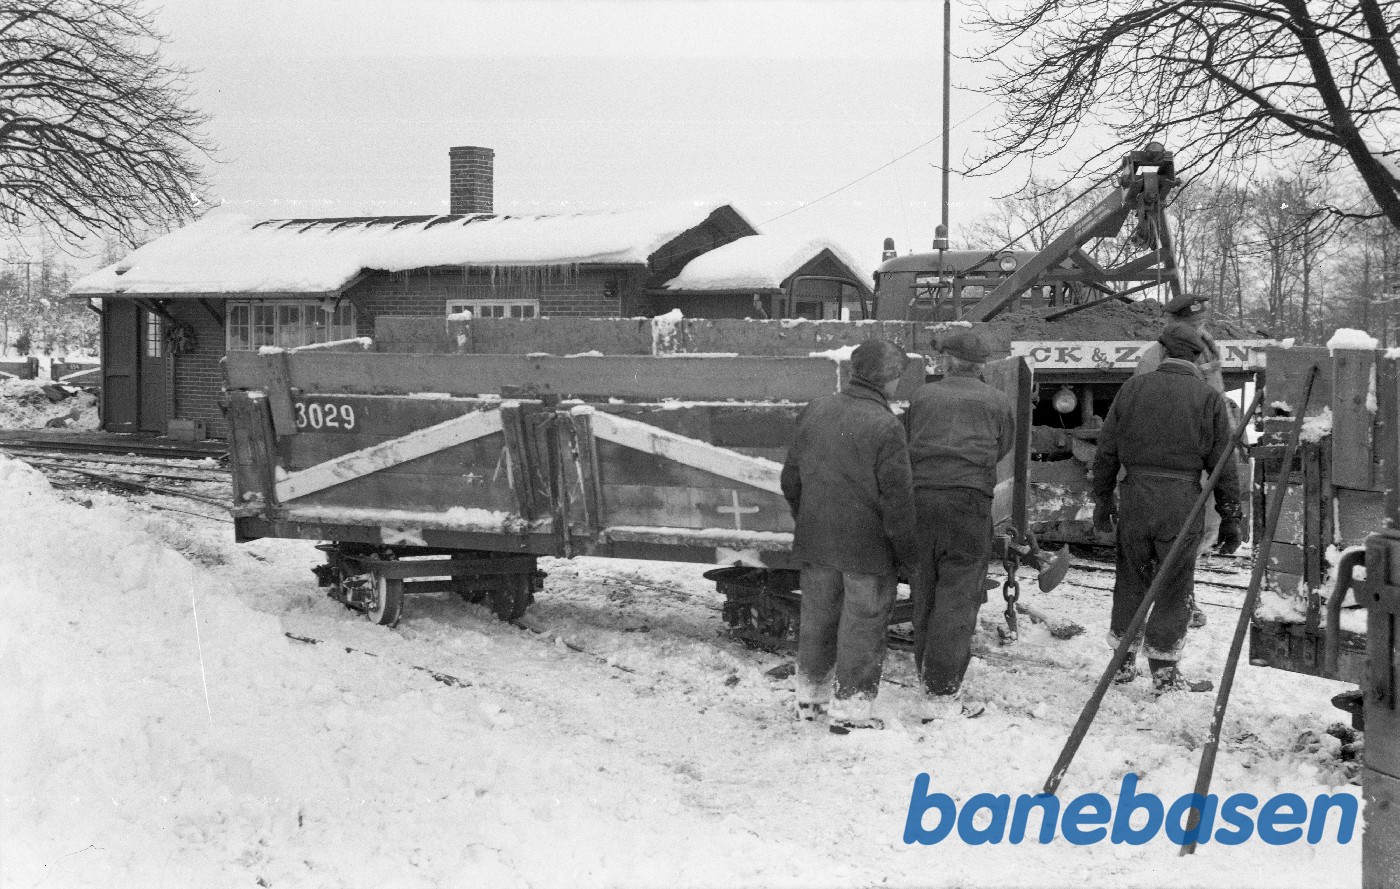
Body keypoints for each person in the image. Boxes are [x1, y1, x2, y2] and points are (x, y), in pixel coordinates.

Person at [1094, 324, 1243, 693]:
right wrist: (1230, 518)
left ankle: (1121, 665)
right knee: (1174, 585)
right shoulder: (1208, 398)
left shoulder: (1132, 389)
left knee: (1130, 579)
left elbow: (1107, 450)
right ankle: (1163, 673)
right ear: (1197, 356)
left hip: (1136, 498)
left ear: (1162, 352)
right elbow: (1223, 465)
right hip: (1182, 503)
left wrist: (1103, 499)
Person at [780, 338, 919, 733]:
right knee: (863, 628)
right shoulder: (886, 425)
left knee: (817, 621)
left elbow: (790, 479)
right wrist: (908, 555)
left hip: (817, 541)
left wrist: (808, 520)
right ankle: (851, 713)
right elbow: (897, 502)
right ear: (889, 379)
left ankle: (810, 701)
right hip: (867, 550)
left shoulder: (816, 409)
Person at [904, 329, 1016, 721]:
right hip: (968, 503)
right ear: (981, 365)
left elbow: (906, 440)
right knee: (957, 596)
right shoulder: (997, 401)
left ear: (947, 361)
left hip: (920, 501)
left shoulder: (921, 397)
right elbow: (1002, 447)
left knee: (925, 591)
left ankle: (927, 680)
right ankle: (941, 692)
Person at [1133, 293, 1230, 629]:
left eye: (1201, 322)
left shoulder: (1208, 350)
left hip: (1202, 453)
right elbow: (1144, 408)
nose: (1198, 328)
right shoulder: (1155, 356)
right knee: (1170, 537)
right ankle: (1167, 605)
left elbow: (1216, 398)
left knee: (1198, 530)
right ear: (1173, 323)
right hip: (1174, 460)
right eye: (1191, 323)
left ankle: (1180, 598)